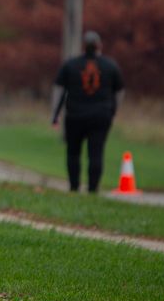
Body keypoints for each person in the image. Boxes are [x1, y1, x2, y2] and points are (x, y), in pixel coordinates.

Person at [51, 30, 125, 193]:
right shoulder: (110, 65)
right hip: (101, 116)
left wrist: (55, 115)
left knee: (73, 153)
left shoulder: (71, 64)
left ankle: (74, 187)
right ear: (99, 45)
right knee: (96, 153)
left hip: (75, 115)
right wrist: (114, 111)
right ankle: (92, 189)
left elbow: (59, 89)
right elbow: (119, 91)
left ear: (84, 46)